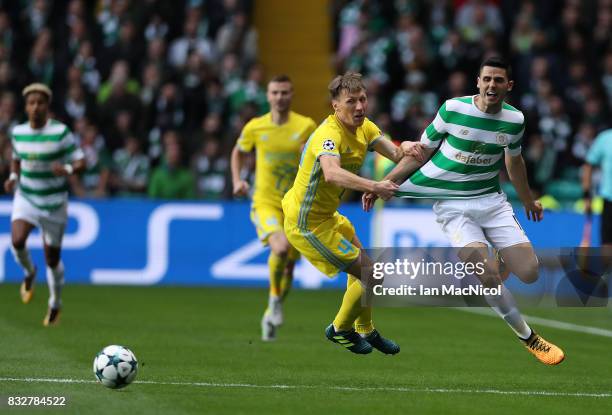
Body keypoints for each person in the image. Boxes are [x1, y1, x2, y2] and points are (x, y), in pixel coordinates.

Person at [364, 57, 565, 365]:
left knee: (529, 271)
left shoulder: (514, 120)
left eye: (498, 80)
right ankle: (529, 337)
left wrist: (527, 199)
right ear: (478, 82)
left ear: (508, 86)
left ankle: (500, 256)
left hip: (491, 202)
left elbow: (514, 163)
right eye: (487, 79)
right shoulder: (452, 110)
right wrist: (384, 184)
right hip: (452, 205)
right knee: (485, 274)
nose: (491, 85)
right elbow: (420, 154)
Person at [282, 72, 408, 355]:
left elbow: (396, 154)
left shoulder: (365, 127)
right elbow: (331, 173)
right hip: (307, 223)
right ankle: (340, 329)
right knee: (371, 273)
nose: (360, 107)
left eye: (363, 99)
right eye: (351, 102)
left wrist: (408, 146)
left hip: (328, 216)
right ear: (335, 106)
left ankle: (365, 329)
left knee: (365, 270)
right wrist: (374, 185)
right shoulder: (328, 136)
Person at [231, 75, 316, 341]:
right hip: (265, 201)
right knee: (279, 247)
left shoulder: (305, 126)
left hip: (294, 205)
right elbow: (238, 151)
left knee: (289, 267)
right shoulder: (256, 127)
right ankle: (275, 301)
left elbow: (316, 158)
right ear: (268, 96)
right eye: (275, 92)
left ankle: (272, 307)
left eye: (285, 92)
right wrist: (237, 181)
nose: (280, 97)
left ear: (292, 95)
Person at [4, 83, 85, 326]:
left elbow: (81, 161)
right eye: (31, 103)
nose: (36, 107)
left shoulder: (60, 133)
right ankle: (29, 271)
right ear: (26, 107)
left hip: (54, 203)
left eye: (40, 102)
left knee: (52, 259)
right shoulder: (18, 132)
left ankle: (55, 304)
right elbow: (16, 159)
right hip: (27, 196)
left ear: (47, 106)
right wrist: (13, 178)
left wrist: (67, 169)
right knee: (17, 241)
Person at [582, 127, 612, 255]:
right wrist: (587, 196)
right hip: (610, 201)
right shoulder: (605, 138)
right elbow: (588, 166)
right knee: (607, 247)